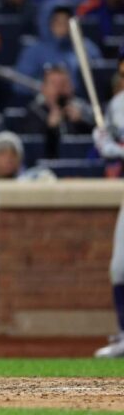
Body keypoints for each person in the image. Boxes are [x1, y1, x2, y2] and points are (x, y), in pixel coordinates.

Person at [91, 76, 124, 357]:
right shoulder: (117, 104)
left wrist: (116, 147)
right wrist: (105, 142)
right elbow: (112, 145)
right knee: (119, 267)